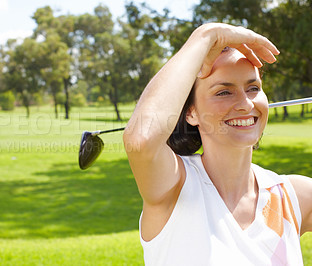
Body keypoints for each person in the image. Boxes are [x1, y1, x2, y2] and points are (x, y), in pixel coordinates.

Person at [123, 23, 312, 265]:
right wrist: (205, 35)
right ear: (191, 113)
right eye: (224, 92)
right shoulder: (174, 187)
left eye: (253, 88)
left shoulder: (294, 195)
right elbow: (142, 138)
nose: (246, 104)